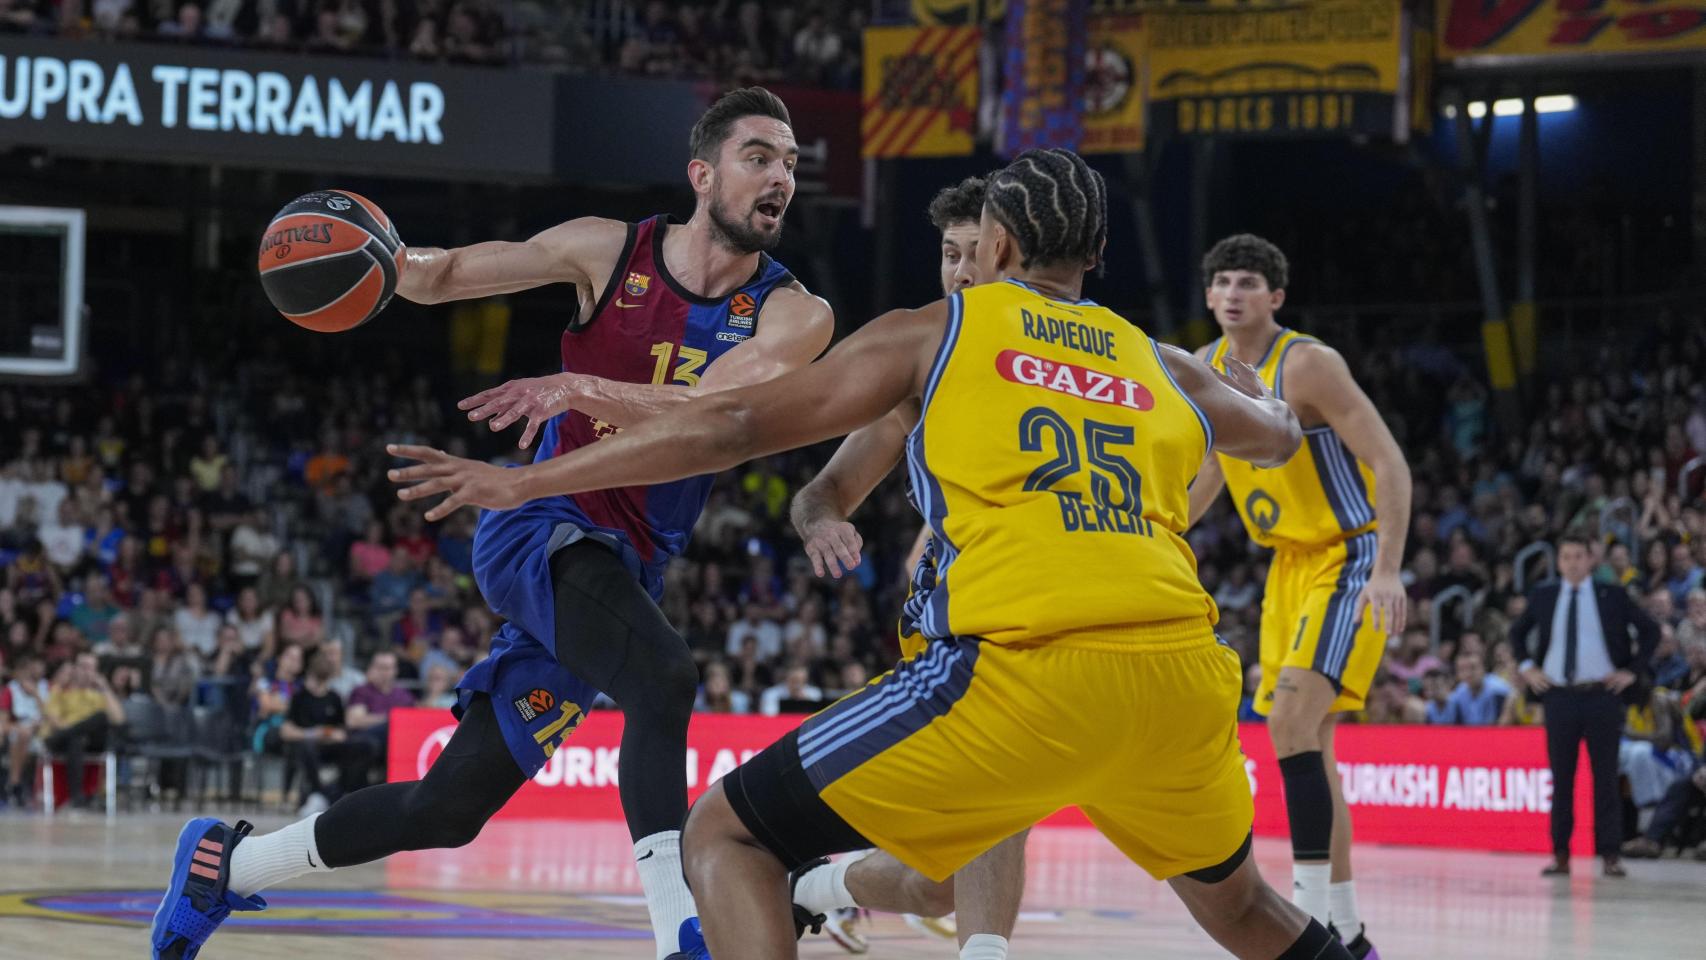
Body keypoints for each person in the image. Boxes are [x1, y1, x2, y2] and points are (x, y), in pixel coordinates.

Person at [386, 147, 1346, 960]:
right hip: (1182, 680)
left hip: (1023, 669)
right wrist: (1248, 387)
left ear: (998, 245)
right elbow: (1275, 433)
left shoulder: (939, 331)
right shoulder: (1159, 361)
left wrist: (524, 483)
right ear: (1094, 254)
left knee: (724, 833)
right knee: (1244, 910)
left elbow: (732, 426)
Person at [155, 87, 833, 960]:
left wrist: (581, 387)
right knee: (663, 679)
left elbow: (710, 406)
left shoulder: (796, 313)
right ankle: (682, 936)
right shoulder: (606, 250)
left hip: (626, 564)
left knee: (446, 808)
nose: (780, 177)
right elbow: (443, 275)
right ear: (702, 174)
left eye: (790, 164)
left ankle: (229, 864)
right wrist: (379, 254)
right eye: (760, 157)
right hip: (540, 517)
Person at [786, 176, 1013, 956]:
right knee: (984, 817)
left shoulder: (1064, 356)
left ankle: (814, 886)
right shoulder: (919, 375)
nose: (960, 271)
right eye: (949, 254)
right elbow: (824, 489)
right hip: (954, 620)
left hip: (1034, 608)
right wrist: (822, 523)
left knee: (941, 878)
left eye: (977, 254)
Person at [1186, 233, 1412, 957]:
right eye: (1221, 281)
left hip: (1348, 557)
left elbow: (1388, 463)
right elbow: (1212, 477)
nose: (1231, 294)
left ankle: (1310, 927)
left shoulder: (1309, 363)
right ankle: (1349, 934)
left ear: (1275, 297)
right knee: (1310, 743)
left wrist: (1388, 568)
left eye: (1247, 282)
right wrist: (1154, 526)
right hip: (1285, 570)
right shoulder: (1204, 368)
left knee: (1288, 724)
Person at [1508, 533, 1660, 878]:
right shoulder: (1545, 596)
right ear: (1558, 562)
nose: (1573, 563)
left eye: (1579, 556)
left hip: (1601, 695)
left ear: (1591, 560)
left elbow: (1650, 632)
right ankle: (1560, 853)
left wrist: (1631, 672)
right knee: (1561, 778)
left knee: (1605, 777)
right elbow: (1517, 633)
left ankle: (1610, 853)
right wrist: (1527, 667)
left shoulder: (1613, 595)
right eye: (1566, 557)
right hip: (1559, 695)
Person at [283, 647, 373, 816]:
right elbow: (286, 730)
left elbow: (342, 728)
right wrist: (313, 733)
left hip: (331, 744)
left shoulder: (334, 697)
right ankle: (319, 794)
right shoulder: (299, 697)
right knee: (306, 747)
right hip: (308, 745)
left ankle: (347, 793)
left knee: (364, 745)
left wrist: (333, 734)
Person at [41, 652, 126, 808]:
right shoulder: (61, 690)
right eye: (83, 667)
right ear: (75, 669)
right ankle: (77, 799)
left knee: (101, 717)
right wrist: (74, 731)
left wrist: (105, 687)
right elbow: (54, 720)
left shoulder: (99, 693)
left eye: (91, 668)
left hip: (92, 740)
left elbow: (119, 720)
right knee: (75, 740)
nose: (87, 671)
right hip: (68, 742)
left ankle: (78, 798)